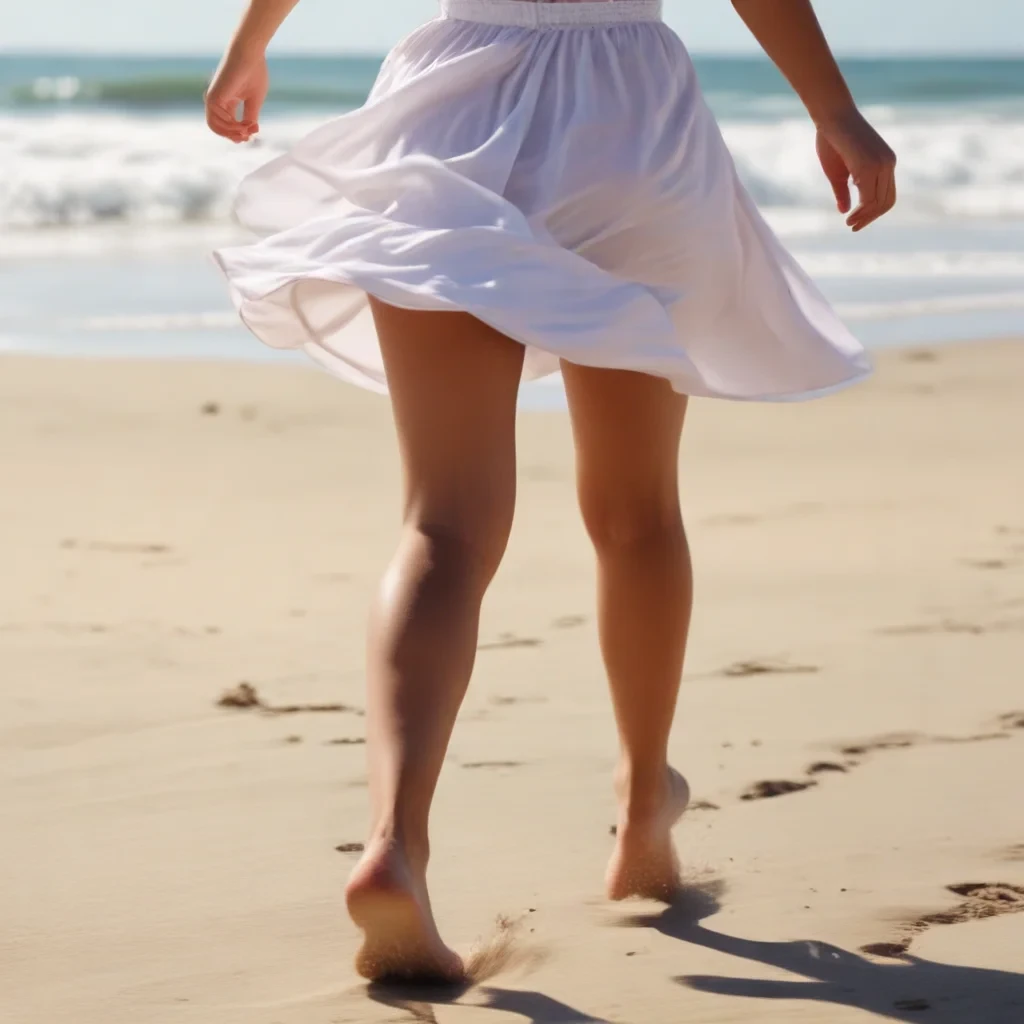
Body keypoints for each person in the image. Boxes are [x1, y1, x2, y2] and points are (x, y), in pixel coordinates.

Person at [206, 0, 896, 983]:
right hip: (629, 124)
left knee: (442, 521)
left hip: (450, 109)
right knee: (635, 512)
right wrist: (834, 110)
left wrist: (249, 45)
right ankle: (643, 804)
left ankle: (395, 840)